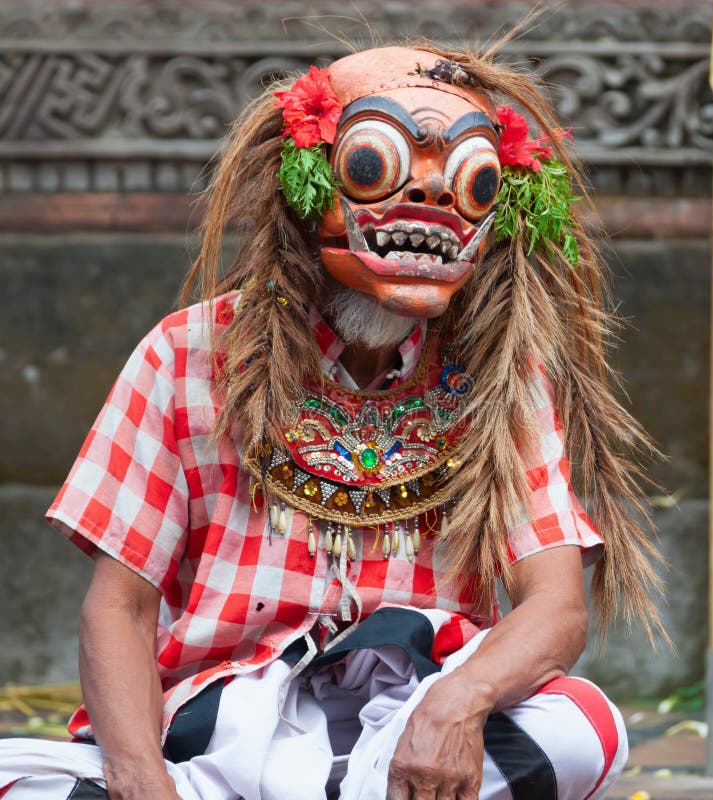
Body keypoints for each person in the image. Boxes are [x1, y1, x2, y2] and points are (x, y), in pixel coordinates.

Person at [0, 42, 664, 800]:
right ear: (306, 185)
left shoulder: (498, 378)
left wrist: (456, 706)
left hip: (406, 735)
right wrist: (140, 778)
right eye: (376, 165)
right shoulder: (187, 353)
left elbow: (555, 605)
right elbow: (119, 606)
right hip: (217, 740)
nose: (430, 199)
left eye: (471, 180)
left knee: (586, 727)